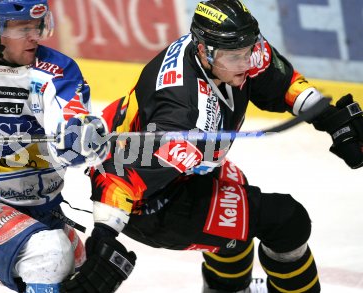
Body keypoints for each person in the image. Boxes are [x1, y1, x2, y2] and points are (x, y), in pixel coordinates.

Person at [88, 0, 363, 292]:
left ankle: (227, 289)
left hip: (183, 171)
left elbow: (278, 80)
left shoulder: (232, 45)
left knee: (235, 191)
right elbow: (121, 174)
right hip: (152, 204)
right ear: (205, 52)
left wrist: (331, 119)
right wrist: (104, 235)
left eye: (249, 51)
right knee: (286, 221)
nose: (247, 63)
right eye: (236, 57)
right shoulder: (183, 113)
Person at [0, 0, 135, 292]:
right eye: (23, 29)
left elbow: (71, 115)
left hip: (39, 211)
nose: (35, 36)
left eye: (38, 26)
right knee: (49, 253)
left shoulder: (57, 70)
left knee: (81, 269)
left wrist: (80, 137)